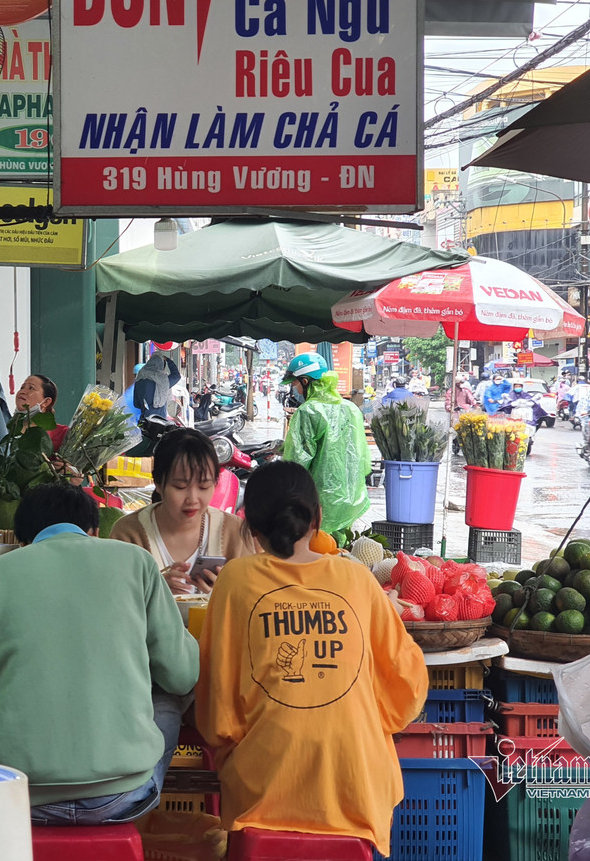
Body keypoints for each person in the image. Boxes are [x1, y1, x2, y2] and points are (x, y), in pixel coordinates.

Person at [0, 483, 199, 824]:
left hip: (11, 795)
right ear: (94, 532)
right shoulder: (138, 563)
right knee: (168, 701)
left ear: (22, 540)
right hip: (121, 798)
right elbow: (182, 675)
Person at [194, 461, 427, 856]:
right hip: (357, 785)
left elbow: (217, 710)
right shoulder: (356, 578)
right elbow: (406, 685)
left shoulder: (234, 579)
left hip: (264, 791)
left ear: (248, 526)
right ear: (317, 517)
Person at [111, 428, 255, 594]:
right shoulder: (128, 534)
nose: (192, 499)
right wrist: (153, 590)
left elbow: (253, 600)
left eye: (203, 486)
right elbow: (115, 599)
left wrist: (226, 592)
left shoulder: (235, 532)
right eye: (180, 487)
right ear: (158, 483)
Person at [281, 352, 371, 535]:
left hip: (320, 502)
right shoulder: (351, 409)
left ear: (305, 381)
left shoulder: (308, 411)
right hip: (350, 500)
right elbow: (362, 458)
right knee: (341, 553)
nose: (294, 389)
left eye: (295, 383)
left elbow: (297, 463)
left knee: (317, 552)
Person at [15, 373, 69, 452]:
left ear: (46, 401)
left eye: (31, 388)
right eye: (22, 387)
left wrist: (65, 464)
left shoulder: (62, 434)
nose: (22, 391)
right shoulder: (6, 430)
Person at [132, 355, 182, 421]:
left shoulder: (138, 381)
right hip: (159, 422)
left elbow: (136, 404)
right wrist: (168, 360)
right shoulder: (163, 382)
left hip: (144, 421)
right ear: (161, 367)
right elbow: (176, 376)